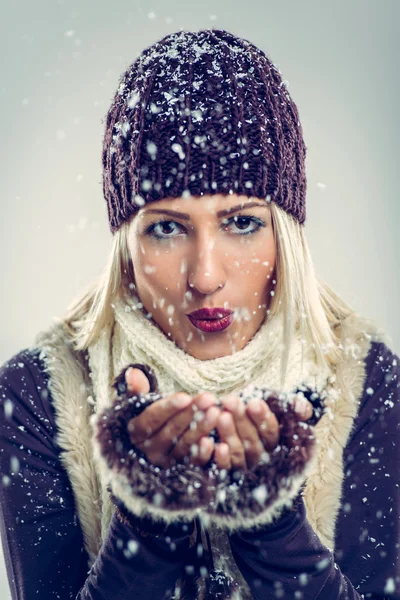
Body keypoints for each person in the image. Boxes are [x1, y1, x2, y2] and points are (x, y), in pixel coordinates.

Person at [0, 28, 398, 600]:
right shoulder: (39, 395)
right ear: (126, 245)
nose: (205, 276)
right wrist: (150, 519)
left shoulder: (370, 384)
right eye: (166, 228)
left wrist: (271, 523)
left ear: (284, 233)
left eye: (240, 222)